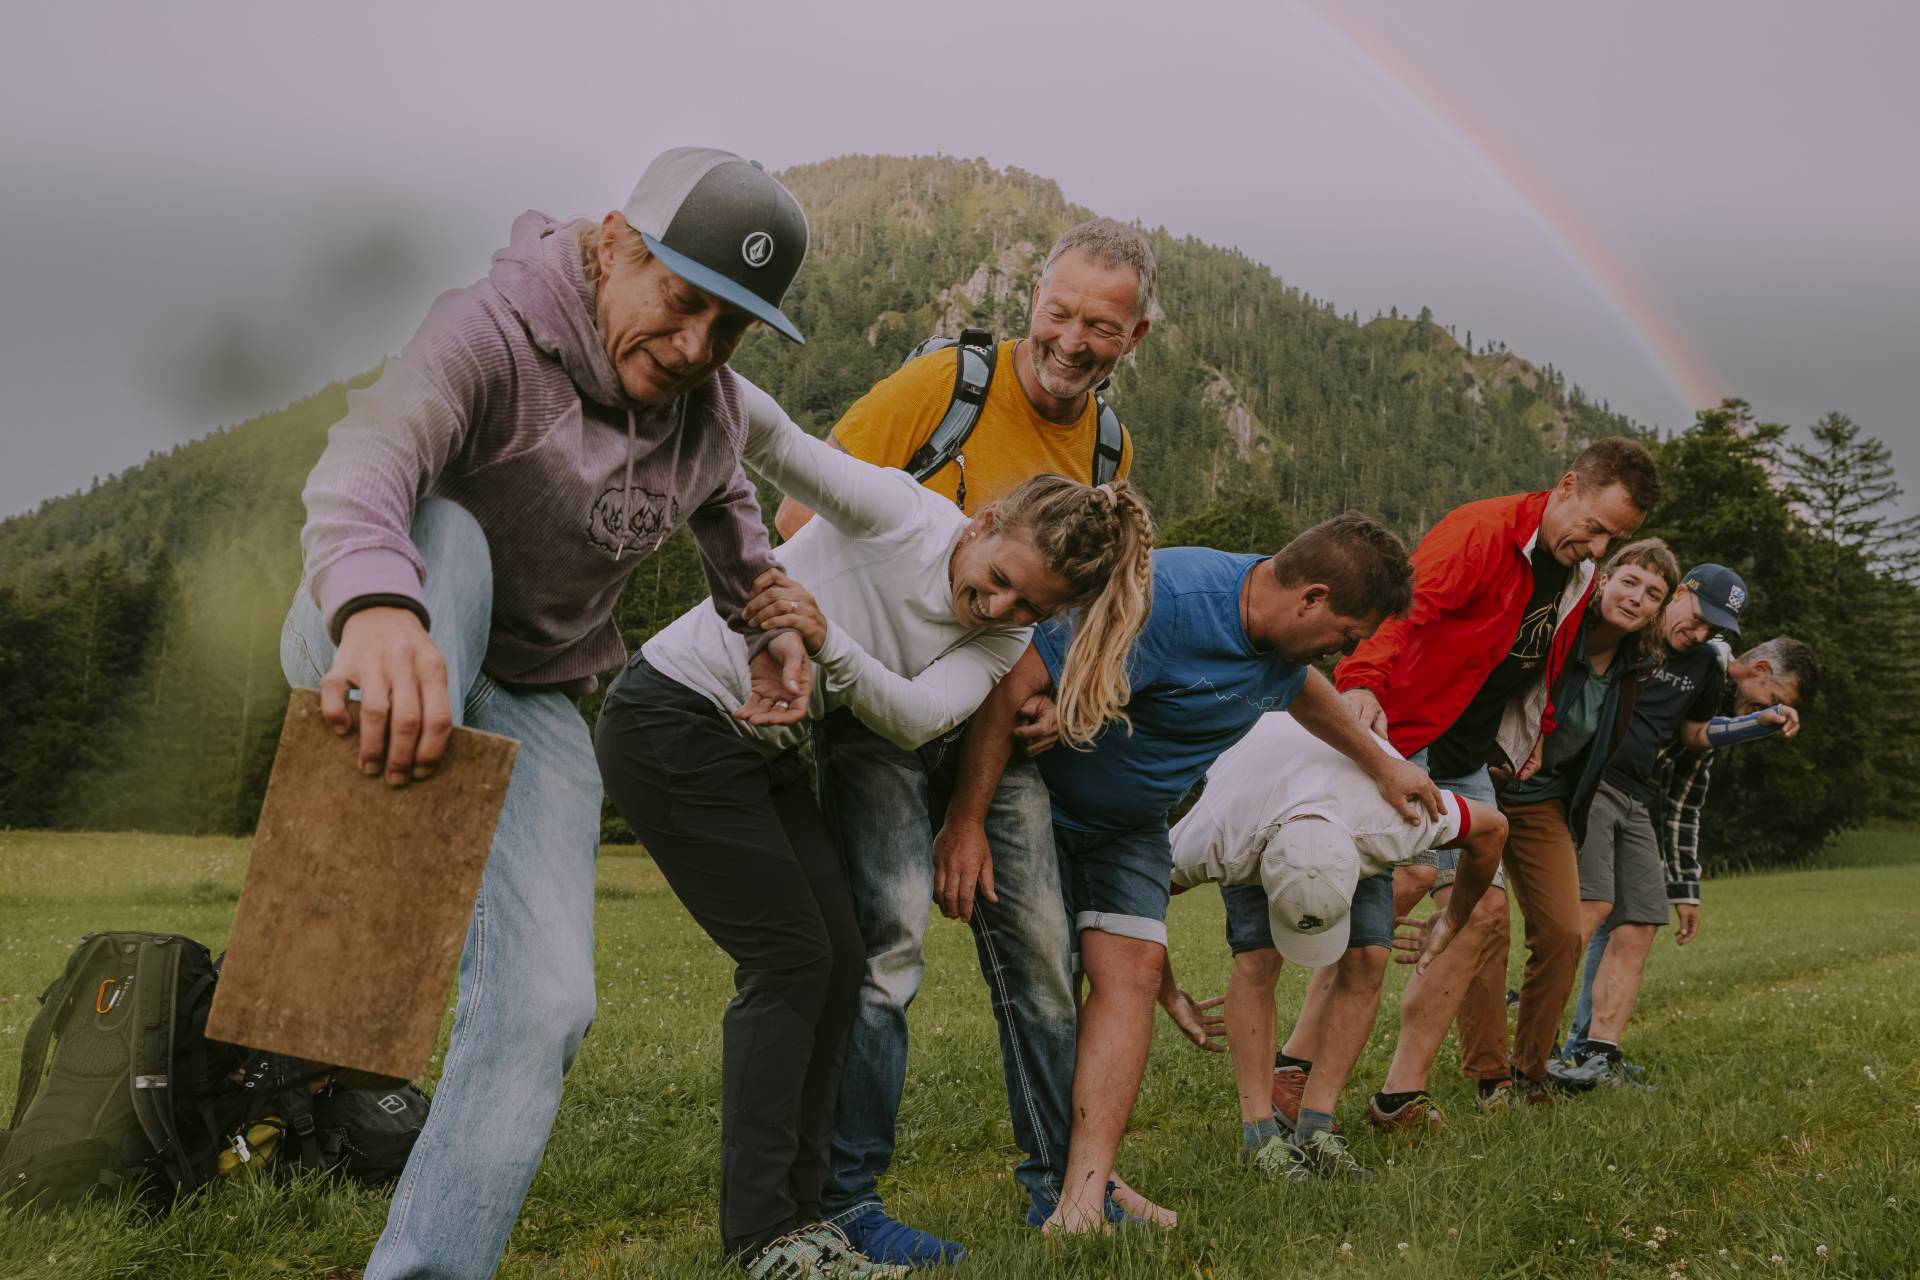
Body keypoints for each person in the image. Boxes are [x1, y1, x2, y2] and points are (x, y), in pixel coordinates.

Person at [283, 147, 818, 1280]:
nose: (694, 349)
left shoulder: (707, 409)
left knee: (548, 1004)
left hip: (529, 696)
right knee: (456, 540)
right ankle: (348, 950)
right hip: (373, 630)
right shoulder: (487, 329)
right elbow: (369, 453)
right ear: (617, 241)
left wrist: (768, 617)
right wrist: (380, 608)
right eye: (682, 304)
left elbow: (732, 521)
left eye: (729, 331)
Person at [595, 382, 1155, 1276]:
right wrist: (703, 360)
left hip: (763, 750)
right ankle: (764, 1237)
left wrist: (826, 643)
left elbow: (912, 718)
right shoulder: (902, 515)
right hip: (673, 722)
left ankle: (816, 1215)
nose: (999, 609)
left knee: (845, 960)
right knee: (790, 962)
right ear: (984, 521)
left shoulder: (1003, 644)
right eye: (1001, 579)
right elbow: (779, 442)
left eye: (1029, 610)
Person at [784, 220, 1156, 1265]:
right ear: (1035, 295)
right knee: (889, 944)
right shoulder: (945, 384)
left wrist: (973, 805)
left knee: (1042, 951)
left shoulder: (1108, 451)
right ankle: (848, 1193)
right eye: (1062, 312)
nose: (1074, 340)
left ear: (1134, 336)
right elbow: (802, 506)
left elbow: (1035, 629)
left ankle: (1068, 1183)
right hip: (876, 712)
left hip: (989, 731)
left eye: (1102, 326)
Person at [938, 513, 1441, 1233]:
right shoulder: (1170, 599)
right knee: (1048, 987)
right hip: (1041, 806)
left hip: (1132, 825)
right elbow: (1015, 681)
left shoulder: (1280, 642)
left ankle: (1085, 1196)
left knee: (1134, 974)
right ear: (1313, 599)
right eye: (1347, 634)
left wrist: (1382, 764)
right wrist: (964, 821)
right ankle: (1067, 1182)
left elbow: (1303, 688)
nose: (1346, 652)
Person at [1329, 437, 1660, 1121]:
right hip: (1411, 733)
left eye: (1614, 539)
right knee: (1399, 890)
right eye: (1595, 528)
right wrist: (1361, 680)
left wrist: (1535, 738)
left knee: (1481, 913)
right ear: (1567, 486)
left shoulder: (1575, 578)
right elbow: (1403, 610)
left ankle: (1401, 1094)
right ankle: (1299, 1063)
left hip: (1468, 753)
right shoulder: (1483, 532)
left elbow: (1543, 664)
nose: (1598, 548)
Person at [1165, 712, 1509, 1183]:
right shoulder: (1214, 838)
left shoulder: (1392, 819)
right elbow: (1133, 900)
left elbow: (1492, 830)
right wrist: (1166, 991)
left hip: (1351, 800)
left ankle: (1316, 1127)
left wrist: (1453, 920)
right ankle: (1259, 1135)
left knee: (1369, 958)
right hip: (1255, 797)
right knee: (1257, 962)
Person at [1556, 626, 1817, 1084]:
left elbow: (1683, 804)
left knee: (1630, 919)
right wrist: (1754, 724)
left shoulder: (1716, 707)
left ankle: (1590, 1050)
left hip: (1632, 802)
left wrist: (1685, 890)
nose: (1770, 710)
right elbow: (1707, 667)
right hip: (1594, 783)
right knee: (1593, 911)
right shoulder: (1706, 663)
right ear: (1758, 669)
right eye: (1773, 697)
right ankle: (1537, 1045)